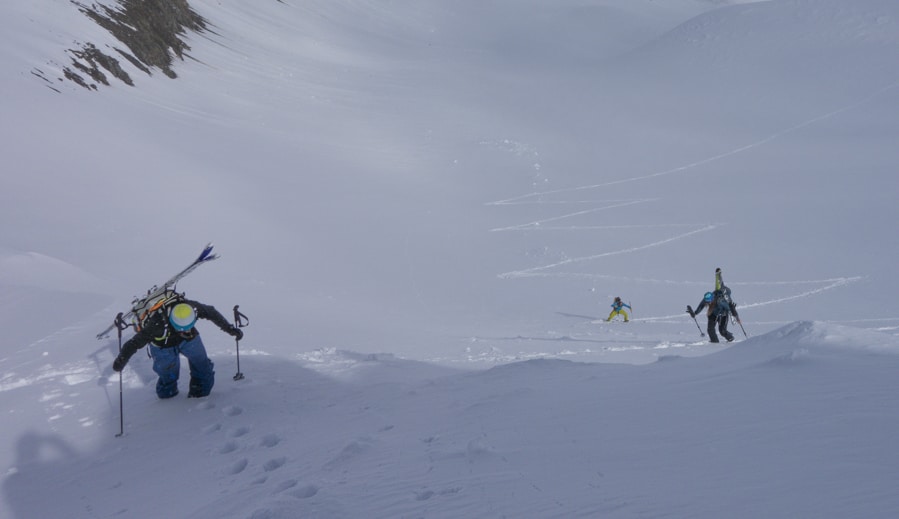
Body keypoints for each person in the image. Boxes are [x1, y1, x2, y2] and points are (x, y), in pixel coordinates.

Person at [112, 298, 242, 398]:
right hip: (163, 347)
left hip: (190, 341)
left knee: (203, 367)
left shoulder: (192, 308)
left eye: (189, 327)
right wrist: (121, 359)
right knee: (168, 375)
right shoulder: (156, 325)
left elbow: (212, 312)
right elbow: (134, 343)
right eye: (183, 330)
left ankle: (199, 395)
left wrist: (230, 329)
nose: (187, 331)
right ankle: (168, 395)